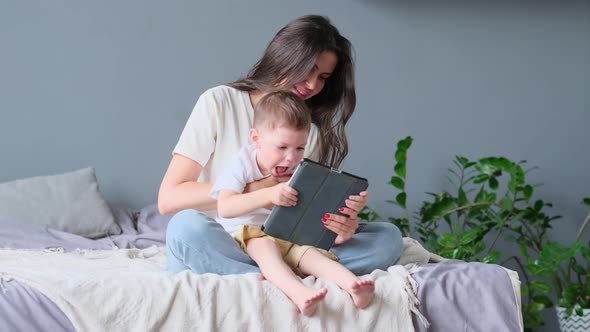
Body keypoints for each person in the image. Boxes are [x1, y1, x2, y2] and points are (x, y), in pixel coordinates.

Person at [160, 14, 403, 277]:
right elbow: (169, 198)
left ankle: (261, 276)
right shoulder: (219, 103)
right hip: (227, 239)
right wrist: (257, 191)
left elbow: (303, 216)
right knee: (185, 227)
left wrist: (339, 228)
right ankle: (279, 275)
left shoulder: (310, 130)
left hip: (286, 244)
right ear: (286, 56)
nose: (312, 85)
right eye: (308, 69)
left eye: (322, 77)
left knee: (387, 238)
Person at [210, 91, 375, 316]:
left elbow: (312, 215)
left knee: (309, 253)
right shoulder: (242, 163)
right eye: (282, 147)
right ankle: (298, 292)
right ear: (256, 139)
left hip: (285, 235)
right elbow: (225, 207)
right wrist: (269, 194)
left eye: (299, 148)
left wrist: (347, 209)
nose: (291, 158)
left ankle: (353, 285)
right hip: (246, 237)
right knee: (263, 244)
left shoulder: (300, 170)